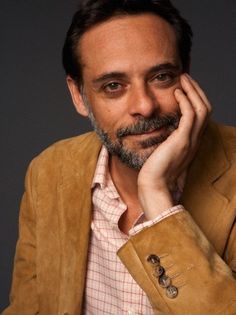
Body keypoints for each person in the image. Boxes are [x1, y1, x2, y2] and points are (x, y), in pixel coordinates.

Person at [2, 0, 236, 314]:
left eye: (162, 77)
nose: (145, 105)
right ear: (78, 95)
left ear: (187, 75)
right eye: (113, 86)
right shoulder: (49, 171)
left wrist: (156, 195)